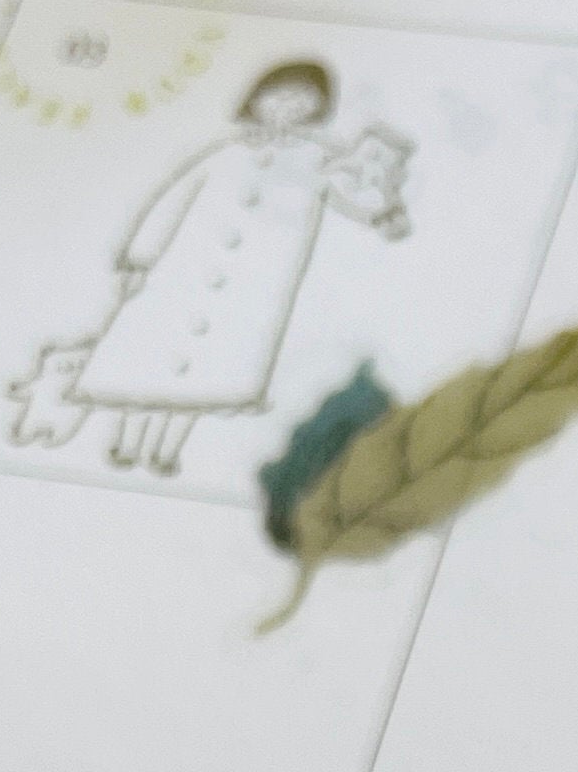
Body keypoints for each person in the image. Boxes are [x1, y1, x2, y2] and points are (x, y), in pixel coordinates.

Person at [63, 58, 413, 476]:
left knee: (203, 381)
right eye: (278, 98)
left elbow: (353, 190)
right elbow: (171, 202)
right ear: (256, 100)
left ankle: (165, 451)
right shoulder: (226, 153)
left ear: (316, 109)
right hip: (181, 276)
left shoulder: (317, 158)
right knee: (145, 365)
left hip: (250, 287)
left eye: (301, 101)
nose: (287, 108)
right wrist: (138, 260)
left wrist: (383, 213)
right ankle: (124, 443)